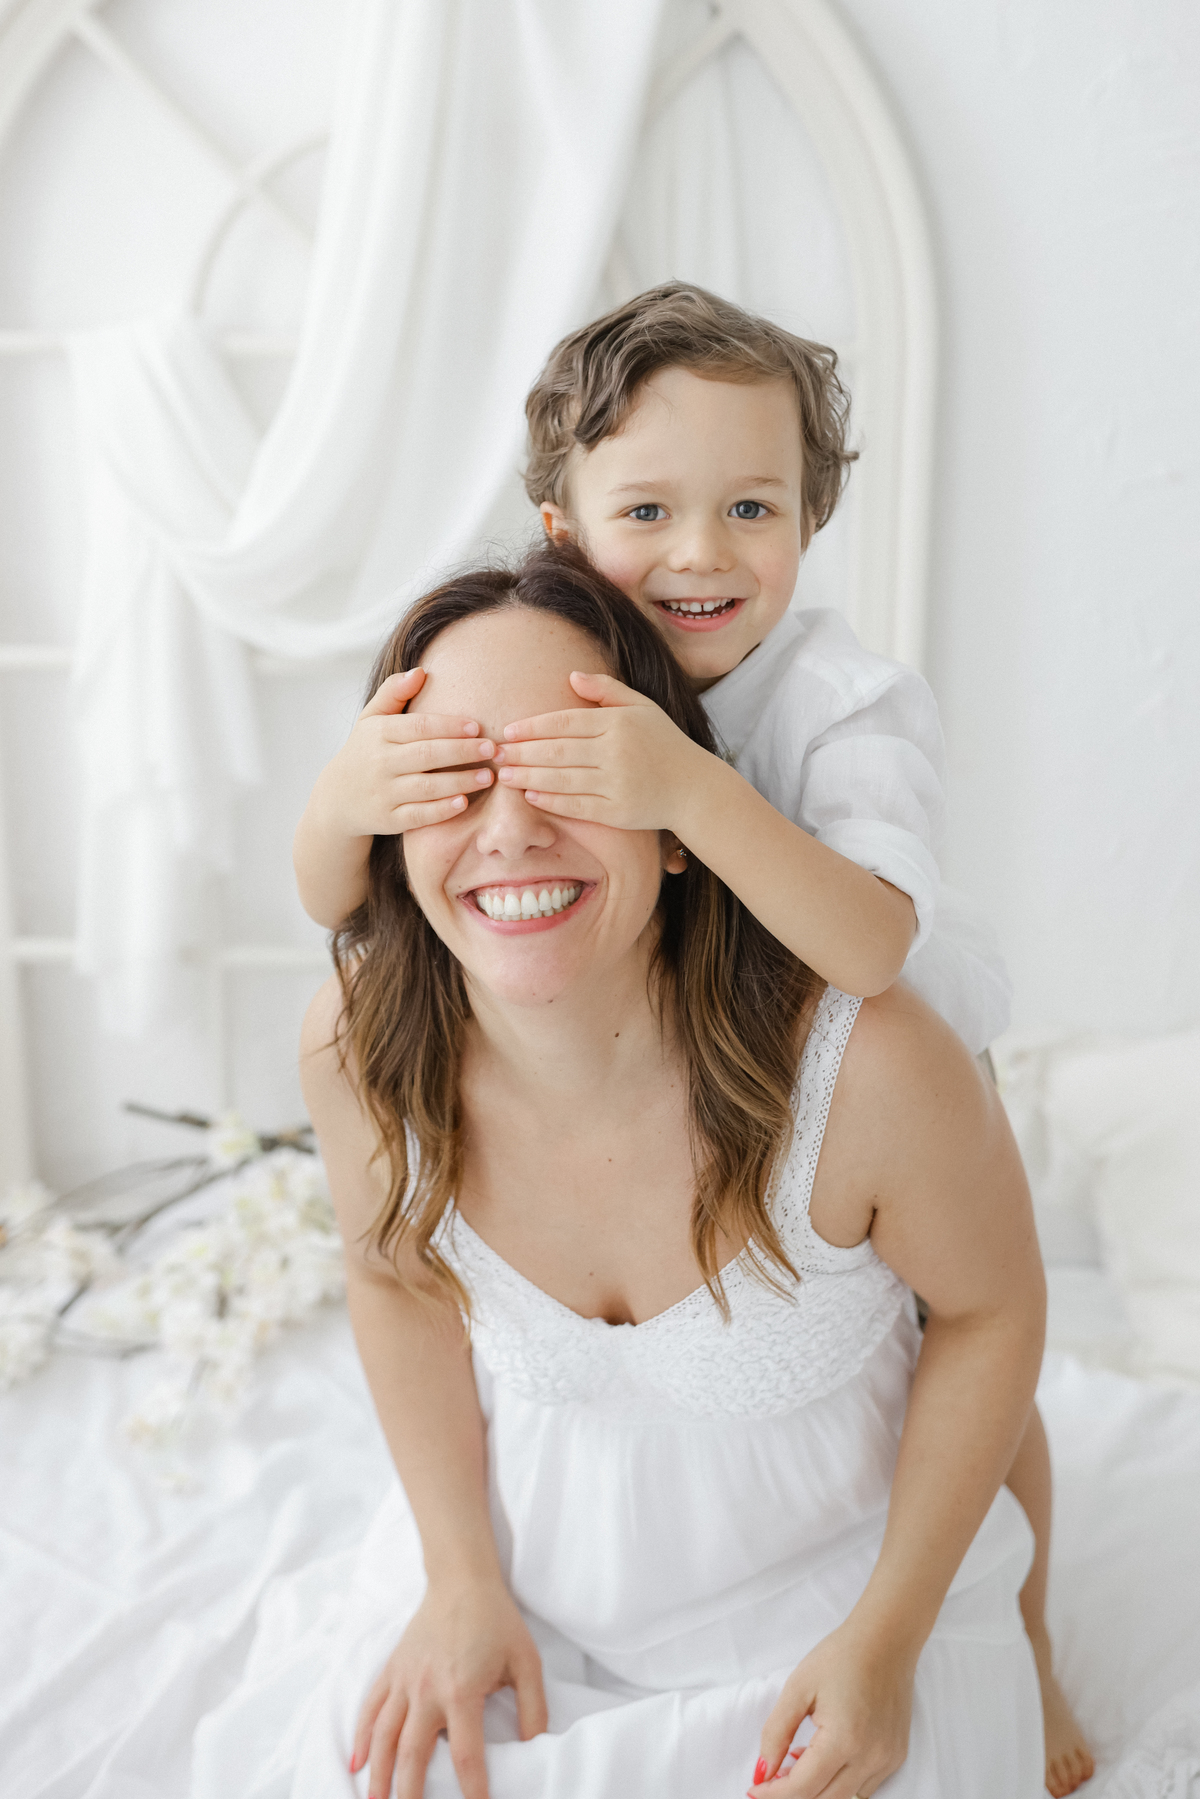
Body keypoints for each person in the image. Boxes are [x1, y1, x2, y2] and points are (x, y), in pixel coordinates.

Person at [292, 285, 1092, 1797]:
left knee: (972, 1356)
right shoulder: (373, 1019)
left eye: (751, 506)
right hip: (682, 1011)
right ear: (561, 527)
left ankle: (1033, 1629)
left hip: (859, 986)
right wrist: (346, 806)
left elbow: (867, 944)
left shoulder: (837, 719)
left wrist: (687, 794)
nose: (701, 552)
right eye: (648, 508)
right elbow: (335, 904)